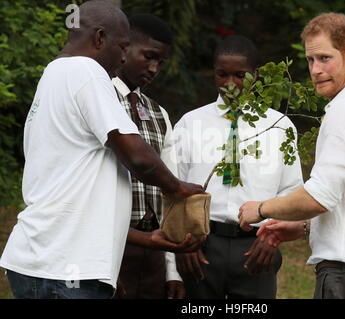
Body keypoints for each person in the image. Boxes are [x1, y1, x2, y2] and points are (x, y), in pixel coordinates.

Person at [0, 0, 204, 299]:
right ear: (98, 38)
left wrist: (148, 240)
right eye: (122, 47)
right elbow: (137, 157)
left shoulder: (53, 75)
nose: (122, 59)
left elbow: (80, 200)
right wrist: (178, 188)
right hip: (66, 272)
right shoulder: (86, 70)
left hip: (40, 263)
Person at [238, 12, 345, 299]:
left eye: (325, 58)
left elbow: (318, 196)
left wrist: (261, 208)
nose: (315, 69)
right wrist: (303, 224)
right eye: (310, 60)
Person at [173, 35, 304, 299]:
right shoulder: (191, 123)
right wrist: (183, 243)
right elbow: (173, 188)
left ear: (255, 75)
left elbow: (292, 193)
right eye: (222, 74)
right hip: (201, 246)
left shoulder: (278, 126)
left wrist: (272, 237)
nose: (229, 83)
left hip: (257, 246)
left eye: (240, 75)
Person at [112, 13, 184, 299]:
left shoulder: (158, 113)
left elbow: (170, 193)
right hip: (110, 244)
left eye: (161, 62)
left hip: (153, 247)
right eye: (149, 56)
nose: (154, 68)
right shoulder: (99, 98)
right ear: (125, 47)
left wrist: (172, 270)